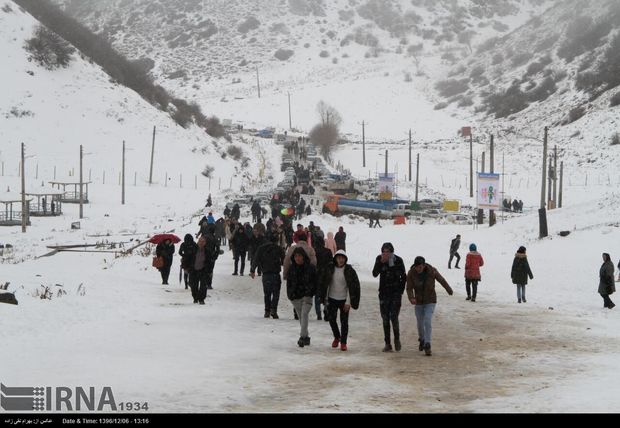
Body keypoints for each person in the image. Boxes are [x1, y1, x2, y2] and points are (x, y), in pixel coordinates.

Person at [406, 256, 453, 356]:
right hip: (418, 302)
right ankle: (422, 339)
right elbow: (409, 288)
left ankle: (428, 344)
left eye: (420, 267)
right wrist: (411, 298)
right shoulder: (411, 273)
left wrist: (449, 289)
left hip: (430, 300)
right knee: (419, 323)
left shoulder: (432, 271)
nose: (418, 269)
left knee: (427, 320)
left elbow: (442, 280)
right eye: (417, 267)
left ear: (423, 265)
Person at [319, 250, 360, 351]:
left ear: (345, 259)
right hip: (332, 298)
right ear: (335, 259)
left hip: (344, 300)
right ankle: (337, 337)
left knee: (344, 322)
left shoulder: (349, 270)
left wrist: (348, 302)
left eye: (342, 258)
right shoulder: (330, 268)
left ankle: (343, 342)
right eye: (338, 258)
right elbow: (324, 283)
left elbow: (352, 287)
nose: (340, 260)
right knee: (331, 319)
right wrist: (325, 298)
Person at [372, 242, 406, 352]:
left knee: (394, 317)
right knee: (385, 318)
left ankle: (396, 339)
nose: (386, 254)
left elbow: (403, 276)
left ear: (392, 252)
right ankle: (387, 343)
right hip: (383, 293)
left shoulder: (398, 260)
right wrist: (381, 263)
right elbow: (374, 273)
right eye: (384, 251)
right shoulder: (379, 259)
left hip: (395, 293)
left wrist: (400, 291)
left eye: (388, 252)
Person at [287, 247, 318, 347]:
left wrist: (311, 292)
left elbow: (315, 282)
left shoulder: (311, 268)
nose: (297, 258)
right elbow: (289, 283)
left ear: (303, 256)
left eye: (299, 256)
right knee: (301, 318)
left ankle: (302, 337)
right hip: (295, 297)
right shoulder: (292, 268)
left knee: (304, 315)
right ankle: (306, 337)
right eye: (295, 256)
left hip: (307, 296)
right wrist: (290, 295)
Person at [251, 234, 285, 318]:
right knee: (276, 293)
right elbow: (284, 260)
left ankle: (267, 311)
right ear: (277, 240)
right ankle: (274, 310)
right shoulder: (278, 248)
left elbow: (256, 259)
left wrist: (252, 270)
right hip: (275, 273)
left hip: (266, 273)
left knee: (267, 294)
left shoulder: (261, 248)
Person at [313, 235, 333, 321]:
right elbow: (331, 263)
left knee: (317, 295)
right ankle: (326, 310)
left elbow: (313, 263)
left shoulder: (314, 251)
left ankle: (318, 314)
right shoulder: (328, 251)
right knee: (326, 294)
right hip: (326, 276)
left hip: (317, 276)